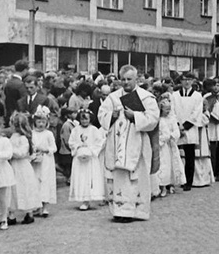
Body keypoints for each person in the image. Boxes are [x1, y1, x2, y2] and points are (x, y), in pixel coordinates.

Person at [98, 65, 160, 222]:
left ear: (136, 79)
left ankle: (136, 211)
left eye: (129, 79)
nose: (125, 82)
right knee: (119, 177)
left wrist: (135, 116)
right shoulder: (112, 97)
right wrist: (112, 116)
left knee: (137, 177)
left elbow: (153, 119)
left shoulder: (146, 97)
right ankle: (120, 211)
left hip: (137, 143)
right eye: (123, 79)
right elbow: (101, 115)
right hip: (117, 143)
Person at [7, 112, 41, 225]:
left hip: (22, 166)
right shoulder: (12, 137)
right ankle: (11, 214)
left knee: (24, 188)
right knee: (12, 189)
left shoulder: (23, 138)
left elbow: (22, 153)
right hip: (13, 166)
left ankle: (29, 213)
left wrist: (9, 152)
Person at [170, 73, 203, 191]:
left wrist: (186, 126)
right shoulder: (174, 95)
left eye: (189, 80)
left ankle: (188, 181)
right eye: (184, 80)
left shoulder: (197, 96)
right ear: (181, 81)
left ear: (193, 81)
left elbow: (197, 112)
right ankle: (176, 180)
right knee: (176, 154)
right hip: (177, 127)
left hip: (190, 128)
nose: (187, 82)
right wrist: (178, 125)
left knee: (189, 156)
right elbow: (172, 111)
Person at [68, 109, 106, 210]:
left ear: (90, 119)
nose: (84, 121)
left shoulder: (94, 130)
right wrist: (79, 147)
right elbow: (71, 142)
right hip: (79, 158)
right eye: (82, 119)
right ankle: (82, 198)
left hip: (90, 159)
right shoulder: (75, 130)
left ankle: (87, 200)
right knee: (81, 177)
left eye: (86, 119)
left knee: (89, 178)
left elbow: (99, 142)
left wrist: (90, 150)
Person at [31, 106, 57, 218]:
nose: (41, 124)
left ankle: (45, 206)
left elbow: (54, 147)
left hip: (46, 161)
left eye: (43, 121)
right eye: (38, 121)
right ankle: (37, 206)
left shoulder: (48, 134)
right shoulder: (32, 133)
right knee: (35, 181)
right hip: (36, 160)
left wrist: (46, 150)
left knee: (45, 181)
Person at [157, 94, 185, 196]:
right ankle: (162, 186)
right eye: (166, 109)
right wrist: (162, 138)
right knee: (163, 165)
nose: (168, 111)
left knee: (173, 164)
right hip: (162, 146)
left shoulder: (172, 119)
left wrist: (172, 136)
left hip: (171, 145)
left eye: (169, 109)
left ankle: (172, 184)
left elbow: (176, 132)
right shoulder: (159, 119)